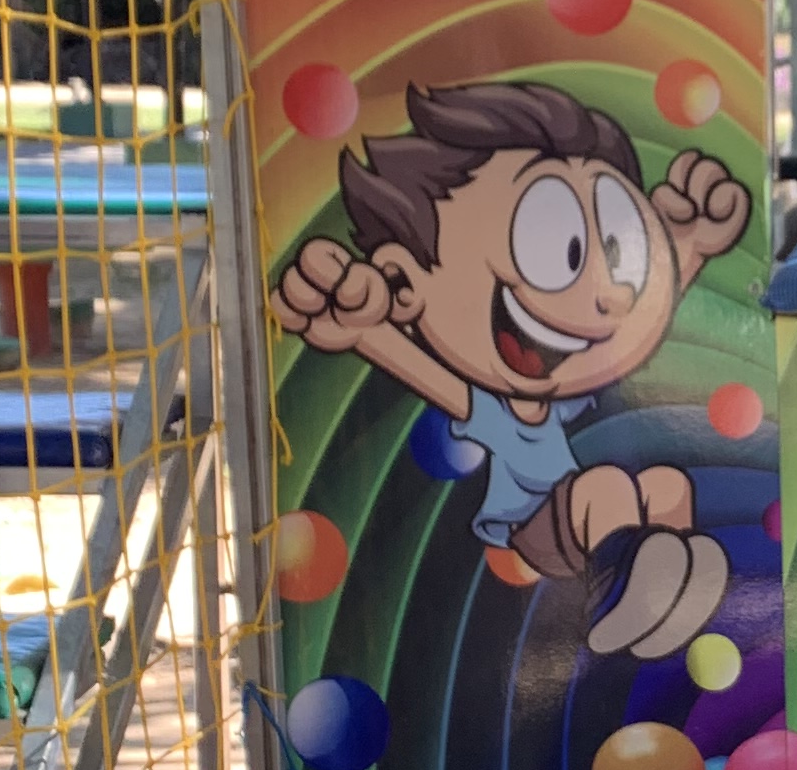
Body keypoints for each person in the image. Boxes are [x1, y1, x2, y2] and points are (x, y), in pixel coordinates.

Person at [269, 74, 751, 658]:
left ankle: (672, 597)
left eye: (618, 253)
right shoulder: (491, 411)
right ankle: (617, 593)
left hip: (571, 514)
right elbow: (425, 373)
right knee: (603, 488)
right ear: (404, 283)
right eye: (556, 252)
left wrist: (691, 245)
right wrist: (363, 332)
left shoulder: (562, 397)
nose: (608, 297)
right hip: (530, 523)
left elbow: (632, 325)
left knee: (667, 485)